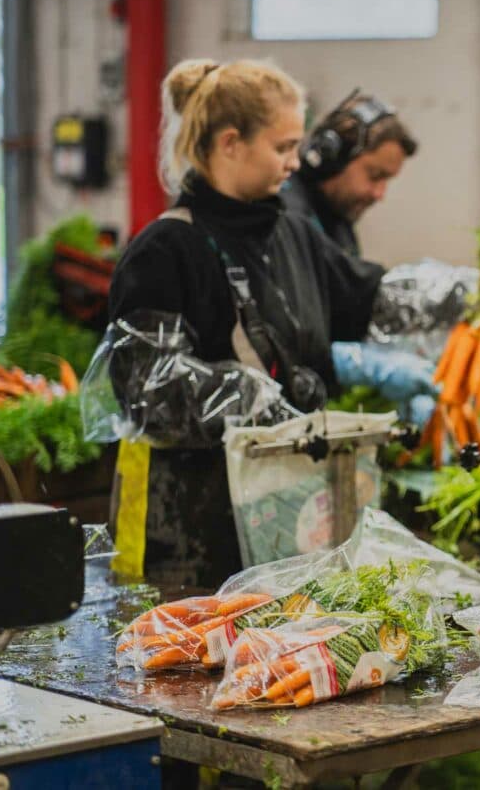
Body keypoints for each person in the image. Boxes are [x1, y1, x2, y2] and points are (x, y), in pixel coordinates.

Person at [106, 58, 390, 587]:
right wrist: (247, 393)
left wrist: (466, 290)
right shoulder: (164, 250)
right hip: (183, 536)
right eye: (282, 147)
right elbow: (146, 390)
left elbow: (364, 296)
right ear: (231, 142)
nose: (295, 161)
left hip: (276, 515)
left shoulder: (292, 234)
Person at [282, 90, 418, 258]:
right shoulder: (286, 218)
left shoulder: (338, 220)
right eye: (375, 176)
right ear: (334, 157)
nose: (379, 194)